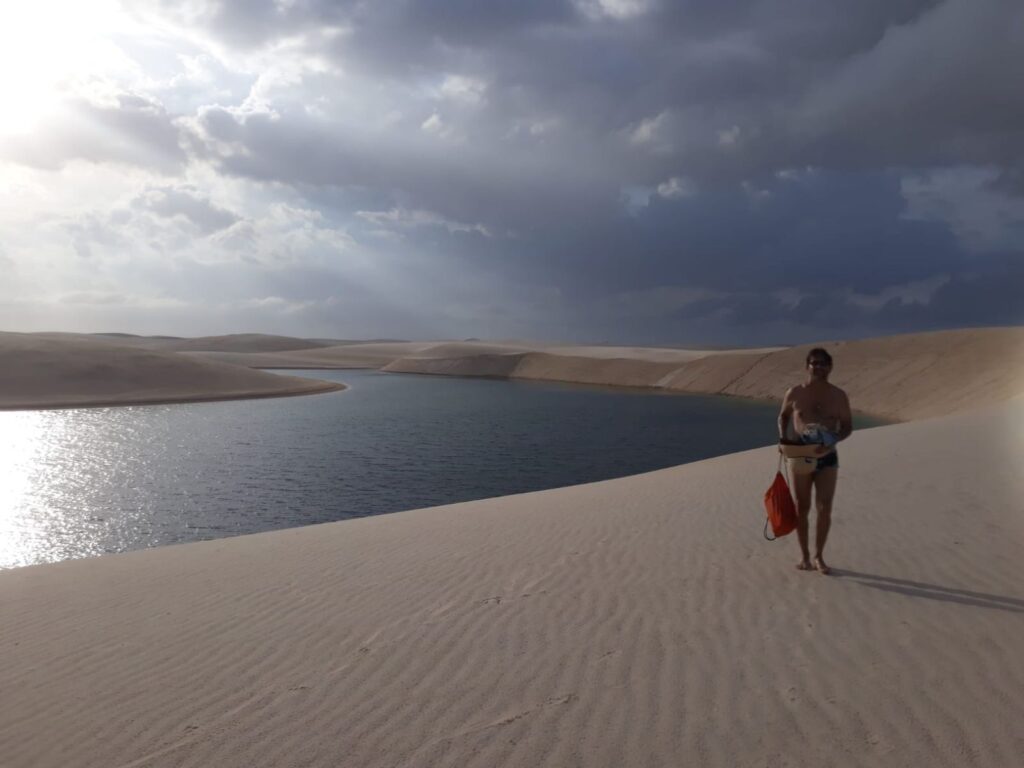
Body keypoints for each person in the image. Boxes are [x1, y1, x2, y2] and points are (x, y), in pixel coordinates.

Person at [777, 348, 852, 574]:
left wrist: (833, 441)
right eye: (814, 363)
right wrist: (783, 439)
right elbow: (783, 416)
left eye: (823, 364)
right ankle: (804, 556)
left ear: (830, 367)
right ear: (807, 366)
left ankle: (819, 556)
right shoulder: (795, 393)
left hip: (827, 454)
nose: (818, 367)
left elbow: (847, 426)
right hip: (800, 454)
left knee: (825, 507)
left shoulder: (839, 396)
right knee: (802, 507)